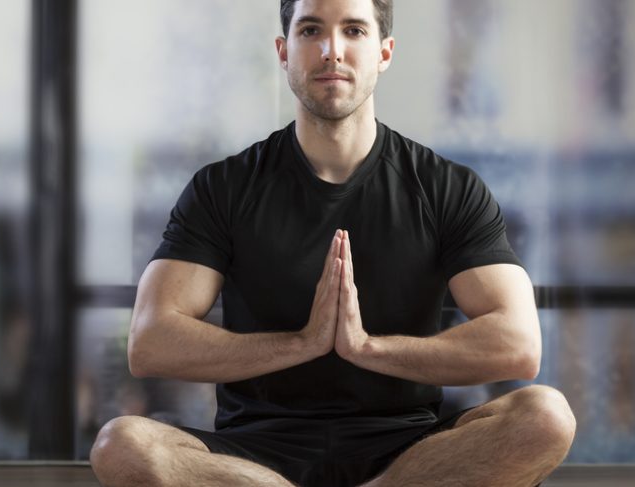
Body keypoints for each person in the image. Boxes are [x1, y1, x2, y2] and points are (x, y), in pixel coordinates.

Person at [89, 0, 576, 485]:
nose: (331, 50)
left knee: (546, 417)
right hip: (254, 454)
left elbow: (518, 345)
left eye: (355, 31)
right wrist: (303, 343)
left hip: (405, 451)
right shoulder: (224, 187)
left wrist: (367, 349)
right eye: (311, 31)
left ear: (384, 52)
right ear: (284, 51)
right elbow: (150, 342)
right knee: (121, 446)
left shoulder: (447, 187)